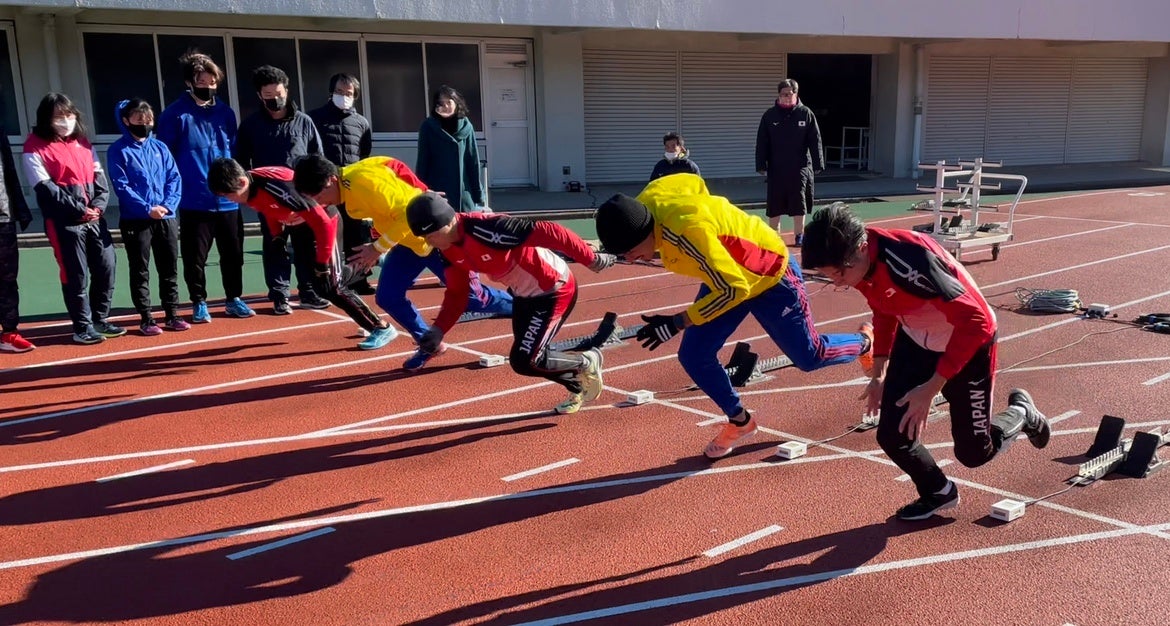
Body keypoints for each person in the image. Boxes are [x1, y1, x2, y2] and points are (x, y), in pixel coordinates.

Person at [800, 203, 1052, 521]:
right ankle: (938, 491)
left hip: (966, 340)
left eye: (839, 274)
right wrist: (879, 372)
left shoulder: (911, 260)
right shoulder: (857, 262)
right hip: (917, 337)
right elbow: (883, 307)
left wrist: (931, 387)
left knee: (974, 453)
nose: (837, 282)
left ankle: (1022, 413)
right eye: (828, 276)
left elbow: (978, 322)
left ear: (862, 248)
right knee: (893, 435)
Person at [594, 173, 873, 459]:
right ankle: (740, 421)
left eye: (630, 252)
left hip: (770, 274)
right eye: (623, 255)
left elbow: (734, 290)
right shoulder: (644, 208)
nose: (630, 260)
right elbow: (691, 181)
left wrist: (678, 322)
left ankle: (864, 343)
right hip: (725, 273)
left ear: (644, 232)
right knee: (694, 354)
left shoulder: (688, 233)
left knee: (809, 356)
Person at [293, 155, 513, 368]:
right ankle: (429, 344)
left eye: (319, 197)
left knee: (473, 300)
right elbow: (392, 164)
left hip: (437, 240)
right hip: (409, 244)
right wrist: (423, 190)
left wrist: (377, 248)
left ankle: (521, 304)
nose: (321, 203)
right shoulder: (353, 174)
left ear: (331, 180)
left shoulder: (364, 183)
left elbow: (405, 217)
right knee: (388, 297)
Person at [406, 192, 613, 413]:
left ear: (446, 224)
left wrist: (590, 258)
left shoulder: (487, 228)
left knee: (525, 359)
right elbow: (458, 293)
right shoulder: (447, 250)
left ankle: (586, 361)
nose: (427, 242)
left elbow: (550, 231)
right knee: (528, 360)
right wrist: (439, 329)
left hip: (554, 289)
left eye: (429, 236)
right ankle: (578, 386)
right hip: (523, 295)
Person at [208, 158, 396, 350]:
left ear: (242, 181)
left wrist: (322, 262)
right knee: (321, 283)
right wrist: (277, 236)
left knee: (331, 287)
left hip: (324, 223)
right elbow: (267, 208)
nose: (228, 200)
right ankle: (371, 262)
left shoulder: (278, 187)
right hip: (301, 226)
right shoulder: (248, 189)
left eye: (228, 195)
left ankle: (380, 327)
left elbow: (322, 223)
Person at [157, 51, 255, 323]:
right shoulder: (174, 115)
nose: (208, 87)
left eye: (213, 82)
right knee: (194, 257)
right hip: (194, 199)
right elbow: (165, 158)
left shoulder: (226, 113)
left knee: (233, 254)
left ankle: (234, 298)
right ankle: (199, 301)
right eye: (202, 82)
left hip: (229, 200)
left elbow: (234, 152)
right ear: (189, 83)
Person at [23, 93, 126, 345]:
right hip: (64, 223)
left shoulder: (83, 142)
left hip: (94, 220)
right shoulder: (33, 146)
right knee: (75, 275)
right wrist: (79, 209)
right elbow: (45, 188)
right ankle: (82, 327)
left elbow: (100, 179)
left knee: (106, 268)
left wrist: (98, 207)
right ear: (46, 118)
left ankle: (100, 319)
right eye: (58, 116)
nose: (65, 120)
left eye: (69, 114)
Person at [235, 64, 328, 314]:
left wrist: (316, 193)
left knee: (305, 245)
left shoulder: (304, 122)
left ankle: (308, 291)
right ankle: (279, 295)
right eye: (268, 96)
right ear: (259, 95)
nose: (275, 100)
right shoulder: (250, 125)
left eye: (279, 94)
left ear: (286, 90)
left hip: (302, 196)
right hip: (267, 199)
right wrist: (253, 194)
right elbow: (241, 165)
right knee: (275, 245)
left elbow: (317, 158)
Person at [107, 98, 189, 336]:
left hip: (165, 217)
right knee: (140, 269)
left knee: (169, 267)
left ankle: (172, 314)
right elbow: (121, 186)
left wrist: (167, 206)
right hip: (136, 219)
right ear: (126, 121)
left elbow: (174, 178)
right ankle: (146, 318)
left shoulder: (160, 147)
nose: (145, 124)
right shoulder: (118, 150)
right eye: (139, 120)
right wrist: (146, 208)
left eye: (149, 120)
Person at [309, 73, 375, 295]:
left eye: (349, 93)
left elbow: (364, 154)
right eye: (339, 92)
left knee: (357, 234)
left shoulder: (361, 123)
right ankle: (326, 282)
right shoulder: (315, 118)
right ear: (331, 92)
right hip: (325, 188)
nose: (344, 96)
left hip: (352, 187)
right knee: (327, 235)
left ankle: (358, 279)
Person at [755, 78, 823, 247]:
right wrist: (761, 164)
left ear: (796, 94)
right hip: (777, 167)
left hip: (800, 167)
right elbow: (762, 141)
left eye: (789, 94)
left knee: (799, 202)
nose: (786, 97)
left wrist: (818, 163)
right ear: (778, 95)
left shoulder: (805, 113)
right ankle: (773, 236)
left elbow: (815, 140)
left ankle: (799, 235)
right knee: (774, 203)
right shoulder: (769, 115)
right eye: (783, 94)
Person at [415, 85, 485, 214]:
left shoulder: (466, 126)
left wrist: (478, 194)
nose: (446, 106)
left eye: (449, 102)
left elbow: (472, 161)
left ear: (456, 103)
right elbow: (423, 161)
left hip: (463, 193)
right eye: (441, 103)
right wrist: (420, 189)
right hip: (438, 191)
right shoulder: (428, 126)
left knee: (463, 224)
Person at [0, 122, 35, 352]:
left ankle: (9, 333)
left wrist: (19, 208)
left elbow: (9, 170)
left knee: (7, 278)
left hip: (4, 216)